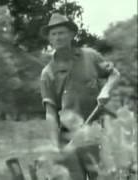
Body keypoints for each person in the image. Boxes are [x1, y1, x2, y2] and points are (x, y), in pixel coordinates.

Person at [39, 13, 120, 180]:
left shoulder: (90, 56)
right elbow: (50, 113)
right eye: (53, 34)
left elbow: (114, 74)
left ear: (71, 34)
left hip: (95, 132)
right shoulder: (47, 73)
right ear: (49, 39)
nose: (58, 37)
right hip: (69, 137)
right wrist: (55, 146)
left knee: (102, 176)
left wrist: (106, 90)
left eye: (61, 32)